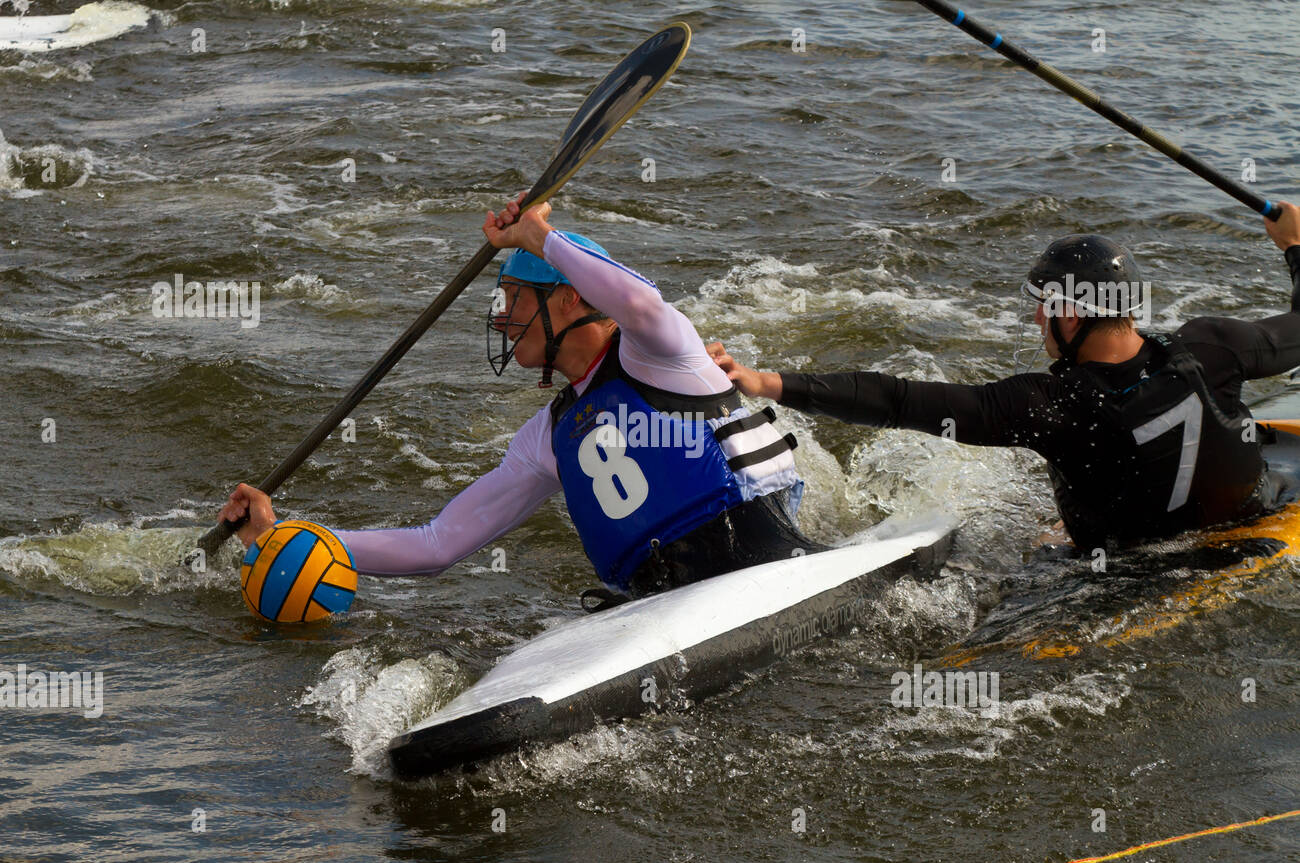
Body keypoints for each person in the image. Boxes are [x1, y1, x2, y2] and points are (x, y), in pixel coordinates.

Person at [219, 192, 814, 602]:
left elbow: (637, 302)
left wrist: (539, 237)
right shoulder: (549, 438)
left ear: (569, 299)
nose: (501, 321)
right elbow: (436, 544)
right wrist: (286, 537)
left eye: (514, 301)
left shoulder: (660, 350)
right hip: (659, 598)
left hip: (764, 553)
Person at [707, 203, 1300, 553]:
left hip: (1131, 573)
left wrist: (764, 382)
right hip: (1255, 524)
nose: (1039, 316)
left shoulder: (1042, 404)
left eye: (1046, 304)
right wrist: (1296, 246)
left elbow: (898, 399)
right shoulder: (1213, 345)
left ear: (1073, 313)